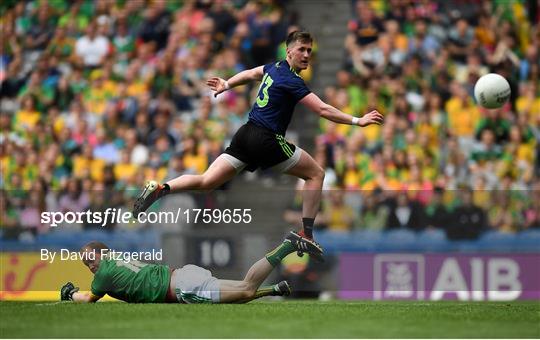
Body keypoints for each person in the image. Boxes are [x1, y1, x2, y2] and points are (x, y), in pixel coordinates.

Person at [132, 31, 384, 260]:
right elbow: (321, 108)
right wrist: (356, 120)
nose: (307, 55)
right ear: (289, 52)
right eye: (302, 50)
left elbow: (252, 74)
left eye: (309, 51)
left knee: (207, 181)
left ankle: (160, 187)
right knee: (316, 173)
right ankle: (306, 234)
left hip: (245, 133)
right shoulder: (292, 80)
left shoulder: (273, 68)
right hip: (266, 138)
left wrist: (228, 83)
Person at [60, 232, 320, 304]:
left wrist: (70, 293)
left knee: (245, 288)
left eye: (90, 259)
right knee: (243, 292)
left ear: (102, 254)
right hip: (183, 276)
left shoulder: (104, 273)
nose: (90, 265)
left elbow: (87, 298)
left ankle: (286, 247)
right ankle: (273, 289)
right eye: (86, 264)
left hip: (183, 288)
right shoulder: (116, 258)